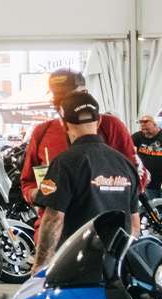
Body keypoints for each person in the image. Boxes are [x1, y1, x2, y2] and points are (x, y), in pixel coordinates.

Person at [31, 91, 141, 269]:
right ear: (98, 122)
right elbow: (135, 225)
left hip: (74, 268)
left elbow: (53, 221)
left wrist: (40, 267)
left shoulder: (63, 162)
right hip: (114, 271)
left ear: (64, 125)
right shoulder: (125, 164)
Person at [21, 68, 143, 206]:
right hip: (53, 221)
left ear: (85, 94)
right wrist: (37, 194)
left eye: (68, 96)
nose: (62, 103)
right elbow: (27, 182)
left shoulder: (110, 126)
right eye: (57, 97)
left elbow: (136, 178)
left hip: (100, 221)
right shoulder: (42, 131)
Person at [134, 113, 162, 201]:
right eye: (143, 129)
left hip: (160, 180)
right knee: (153, 210)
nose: (145, 131)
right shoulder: (138, 136)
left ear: (154, 124)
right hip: (149, 183)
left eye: (147, 129)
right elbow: (129, 149)